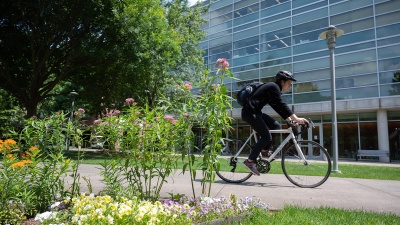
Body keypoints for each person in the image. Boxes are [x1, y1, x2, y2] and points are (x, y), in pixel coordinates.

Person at [241, 70, 309, 176]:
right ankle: (249, 162)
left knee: (276, 125)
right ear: (282, 81)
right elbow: (281, 104)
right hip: (250, 113)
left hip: (255, 112)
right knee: (266, 137)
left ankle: (264, 151)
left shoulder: (272, 89)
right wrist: (296, 118)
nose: (289, 86)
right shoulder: (273, 87)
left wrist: (289, 120)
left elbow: (277, 107)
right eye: (289, 83)